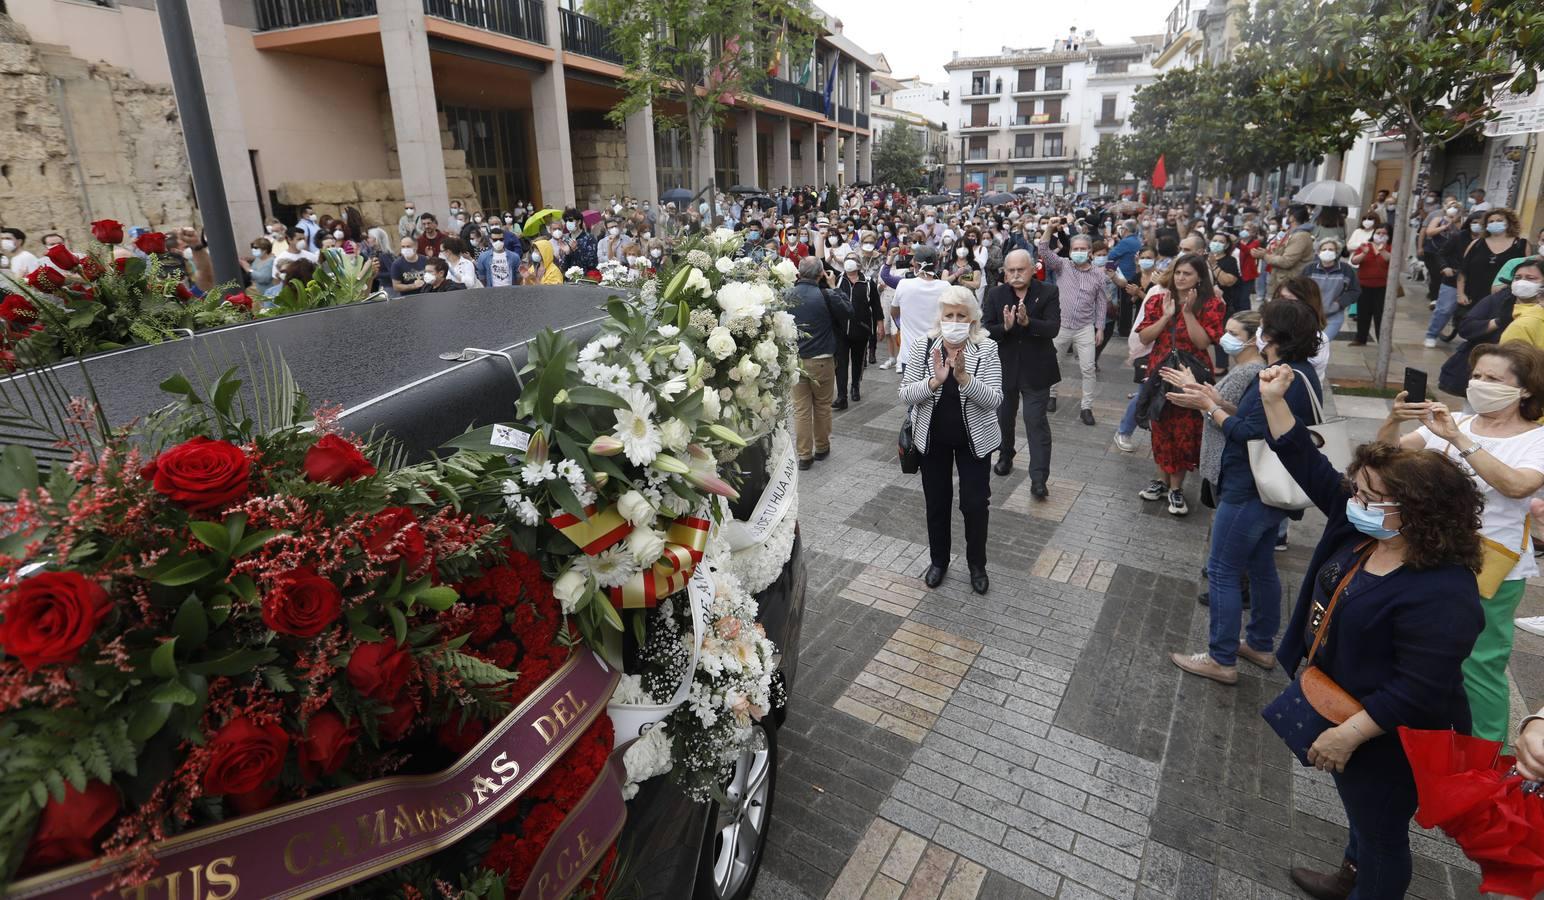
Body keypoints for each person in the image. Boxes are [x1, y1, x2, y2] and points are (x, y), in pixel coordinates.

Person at [1256, 365, 1483, 900]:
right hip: (1339, 703)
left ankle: (1367, 882)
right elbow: (1304, 459)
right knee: (1361, 813)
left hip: (1389, 737)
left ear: (1421, 514)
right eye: (1355, 491)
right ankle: (1348, 877)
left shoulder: (1444, 590)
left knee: (1382, 833)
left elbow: (1420, 688)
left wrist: (1349, 733)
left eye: (1368, 496)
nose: (1353, 501)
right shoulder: (1357, 527)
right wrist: (1273, 400)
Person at [1376, 341, 1544, 742]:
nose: (1479, 384)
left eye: (1492, 378)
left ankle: (1487, 760)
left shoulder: (1534, 439)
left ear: (1524, 389)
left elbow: (1518, 485)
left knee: (1479, 665)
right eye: (1476, 376)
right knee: (1415, 650)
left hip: (1491, 567)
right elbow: (1386, 457)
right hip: (1429, 554)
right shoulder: (1451, 420)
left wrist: (1461, 441)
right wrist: (1394, 419)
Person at [1163, 303, 1324, 684]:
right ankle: (1260, 643)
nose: (1255, 334)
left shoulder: (1283, 376)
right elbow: (1255, 418)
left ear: (1272, 336)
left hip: (1250, 487)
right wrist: (1216, 400)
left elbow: (1246, 432)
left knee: (1222, 569)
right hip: (1267, 486)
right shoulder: (1298, 373)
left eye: (1262, 328)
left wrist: (1209, 408)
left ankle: (1221, 658)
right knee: (1260, 563)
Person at [899, 286, 1003, 595]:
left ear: (972, 320)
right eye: (949, 315)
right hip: (933, 441)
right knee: (937, 503)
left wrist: (964, 380)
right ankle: (939, 561)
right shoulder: (924, 345)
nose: (954, 321)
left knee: (974, 505)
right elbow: (905, 393)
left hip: (974, 442)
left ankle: (977, 565)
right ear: (940, 317)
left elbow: (994, 399)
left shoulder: (986, 348)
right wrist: (935, 381)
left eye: (961, 316)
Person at [1135, 254, 1226, 515]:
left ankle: (1176, 487)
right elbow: (1144, 337)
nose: (1181, 277)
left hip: (1191, 374)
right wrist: (1166, 317)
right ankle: (1160, 481)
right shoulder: (1157, 299)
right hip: (1160, 372)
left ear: (1199, 277)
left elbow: (1202, 343)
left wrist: (1187, 313)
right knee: (1160, 426)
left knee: (1186, 430)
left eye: (1187, 273)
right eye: (1178, 272)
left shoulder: (1211, 304)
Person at [983, 249, 1060, 496]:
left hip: (1037, 370)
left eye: (1021, 270)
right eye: (1011, 270)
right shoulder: (995, 294)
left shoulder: (1048, 291)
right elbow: (986, 330)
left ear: (1032, 269)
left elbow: (1053, 328)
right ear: (1005, 273)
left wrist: (1028, 323)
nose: (1016, 275)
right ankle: (1006, 454)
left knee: (1035, 422)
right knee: (1003, 418)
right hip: (1004, 369)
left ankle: (1039, 479)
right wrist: (1004, 327)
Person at [788, 257, 851, 470]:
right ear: (821, 273)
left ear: (799, 272)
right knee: (822, 406)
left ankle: (804, 456)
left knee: (801, 410)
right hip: (823, 359)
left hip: (797, 360)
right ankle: (822, 447)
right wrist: (835, 287)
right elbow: (848, 312)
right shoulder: (825, 295)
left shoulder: (787, 295)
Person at [1039, 229, 1106, 426]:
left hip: (1085, 327)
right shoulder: (1062, 266)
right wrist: (1049, 229)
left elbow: (1101, 303)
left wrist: (1100, 328)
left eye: (1083, 249)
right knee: (1054, 363)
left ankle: (1086, 407)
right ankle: (1051, 395)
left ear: (1090, 252)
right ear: (1070, 251)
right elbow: (1043, 250)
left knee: (1088, 368)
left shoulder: (1098, 275)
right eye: (1075, 248)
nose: (1079, 251)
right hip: (1060, 325)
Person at [832, 251, 882, 409]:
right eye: (847, 259)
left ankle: (855, 386)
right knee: (841, 363)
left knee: (857, 361)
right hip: (840, 330)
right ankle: (841, 396)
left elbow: (876, 305)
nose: (849, 262)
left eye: (853, 259)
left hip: (861, 329)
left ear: (859, 264)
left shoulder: (867, 283)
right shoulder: (838, 280)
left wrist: (879, 325)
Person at [892, 246, 950, 377]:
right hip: (938, 353)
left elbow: (894, 313)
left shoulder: (903, 285)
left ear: (916, 264)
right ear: (936, 264)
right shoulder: (946, 287)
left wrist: (902, 325)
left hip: (910, 354)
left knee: (912, 395)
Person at [1303, 238, 1359, 341]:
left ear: (1337, 252)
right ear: (1318, 252)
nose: (1327, 252)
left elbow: (1354, 291)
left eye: (1331, 249)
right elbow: (1299, 289)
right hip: (1311, 315)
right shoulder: (1309, 269)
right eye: (1324, 249)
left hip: (1334, 315)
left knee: (1322, 342)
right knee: (1309, 345)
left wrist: (1339, 303)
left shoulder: (1345, 269)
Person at [1347, 223, 1391, 347]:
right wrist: (1364, 253)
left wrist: (1382, 250)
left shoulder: (1390, 247)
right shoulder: (1365, 246)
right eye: (1378, 233)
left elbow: (1391, 260)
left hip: (1382, 286)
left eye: (1384, 233)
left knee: (1380, 315)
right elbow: (1354, 260)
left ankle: (1382, 341)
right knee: (1362, 313)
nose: (1381, 235)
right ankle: (1361, 338)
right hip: (1364, 285)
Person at [1259, 205, 1314, 295]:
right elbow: (1277, 248)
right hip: (1279, 279)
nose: (1285, 218)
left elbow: (1287, 261)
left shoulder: (1301, 236)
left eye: (1287, 215)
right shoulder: (1287, 231)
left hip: (1290, 284)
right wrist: (1267, 252)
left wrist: (1264, 256)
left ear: (1292, 217)